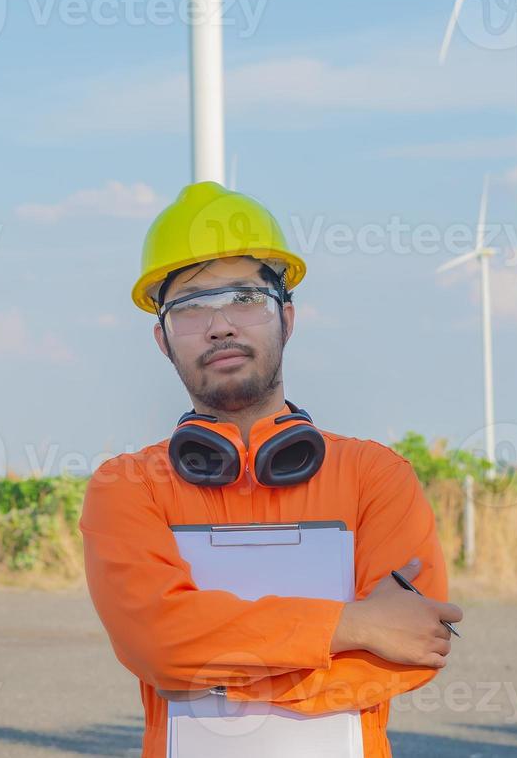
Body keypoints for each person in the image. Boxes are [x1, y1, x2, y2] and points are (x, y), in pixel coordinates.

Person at [79, 181, 463, 758]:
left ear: (287, 317)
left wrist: (210, 668)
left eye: (244, 299)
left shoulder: (375, 477)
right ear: (162, 340)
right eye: (190, 309)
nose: (220, 325)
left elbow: (410, 652)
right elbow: (157, 643)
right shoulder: (127, 487)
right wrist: (354, 626)